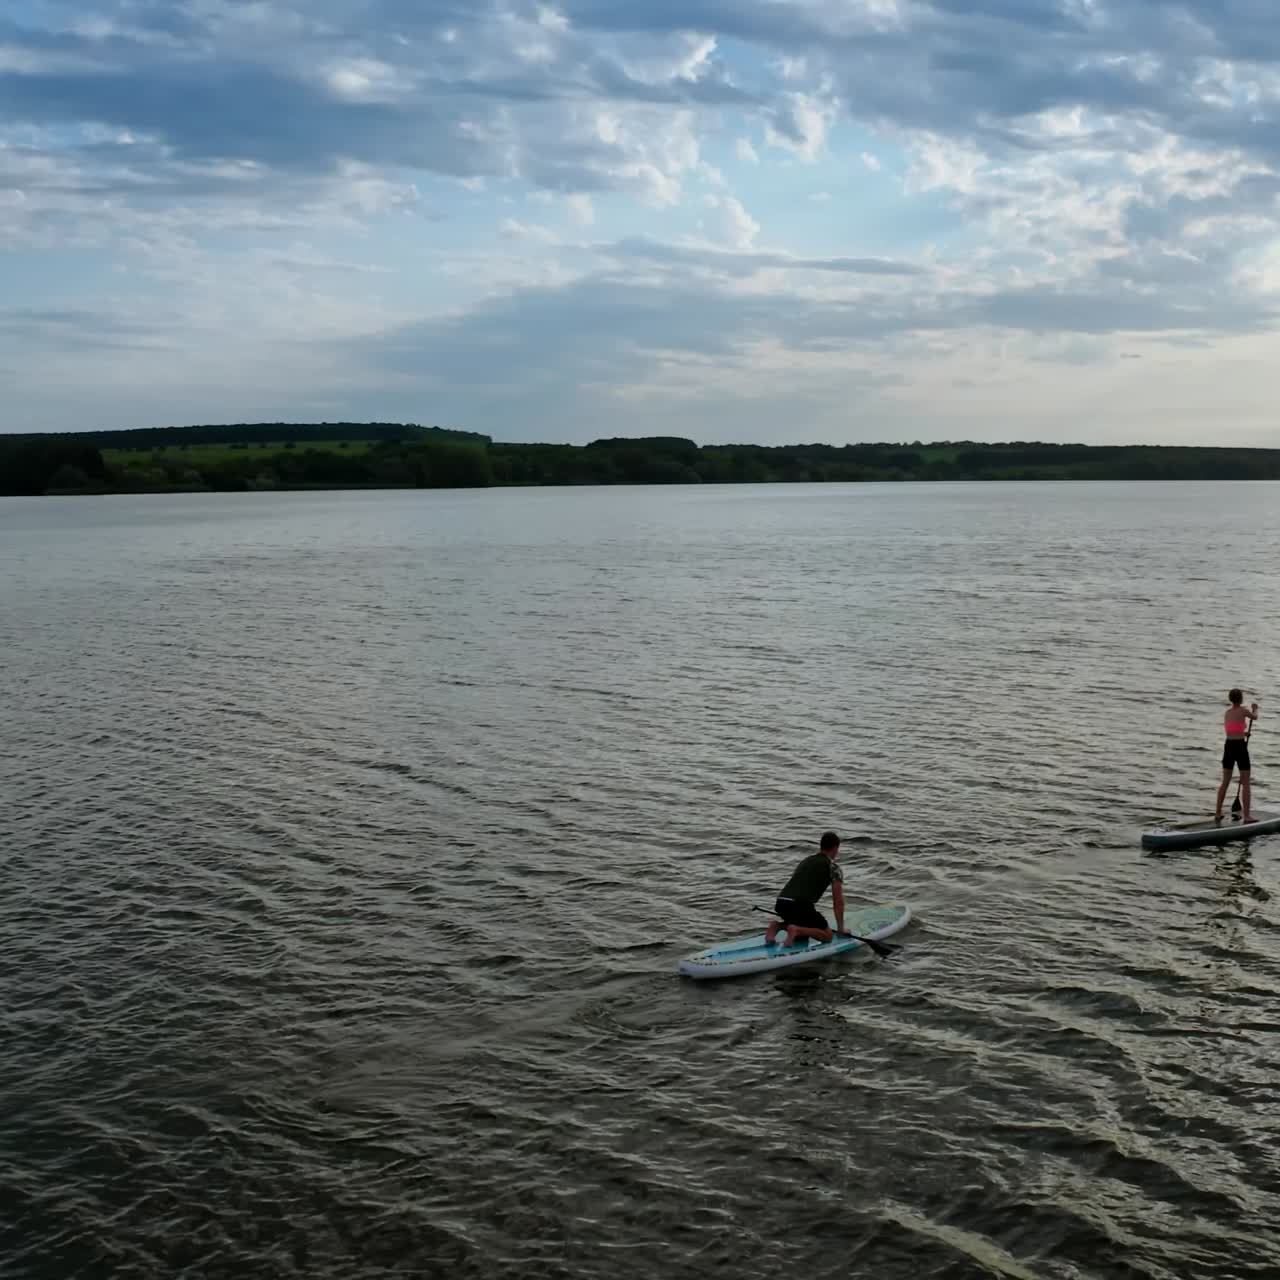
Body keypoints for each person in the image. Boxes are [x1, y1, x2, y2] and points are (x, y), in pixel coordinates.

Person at [764, 831, 845, 947]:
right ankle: (796, 930)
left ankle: (776, 926)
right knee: (827, 935)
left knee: (803, 935)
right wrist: (841, 929)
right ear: (835, 848)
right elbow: (838, 902)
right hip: (800, 906)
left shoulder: (806, 861)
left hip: (781, 903)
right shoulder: (834, 867)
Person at [1216, 689, 1259, 822]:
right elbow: (1255, 717)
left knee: (1225, 782)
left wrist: (1243, 733)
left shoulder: (1227, 713)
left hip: (1228, 746)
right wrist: (1255, 708)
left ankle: (1218, 812)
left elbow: (1231, 730)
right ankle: (1246, 816)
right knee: (1246, 782)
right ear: (1240, 699)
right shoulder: (1243, 710)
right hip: (1240, 747)